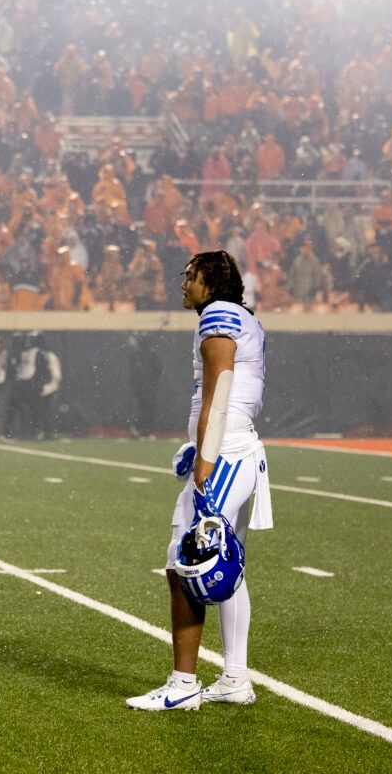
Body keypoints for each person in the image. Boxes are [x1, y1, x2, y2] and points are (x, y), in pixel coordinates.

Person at [127, 250, 272, 711]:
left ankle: (183, 683)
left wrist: (205, 460)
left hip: (226, 453)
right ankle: (234, 678)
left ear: (211, 281)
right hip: (236, 447)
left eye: (190, 276)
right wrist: (199, 445)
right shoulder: (234, 316)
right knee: (227, 566)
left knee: (185, 563)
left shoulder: (220, 314)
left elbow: (221, 389)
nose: (183, 283)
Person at [128, 333, 162, 439]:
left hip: (142, 387)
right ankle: (142, 431)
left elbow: (158, 369)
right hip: (146, 387)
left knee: (142, 409)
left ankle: (141, 430)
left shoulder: (139, 354)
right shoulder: (148, 354)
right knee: (145, 409)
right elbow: (159, 369)